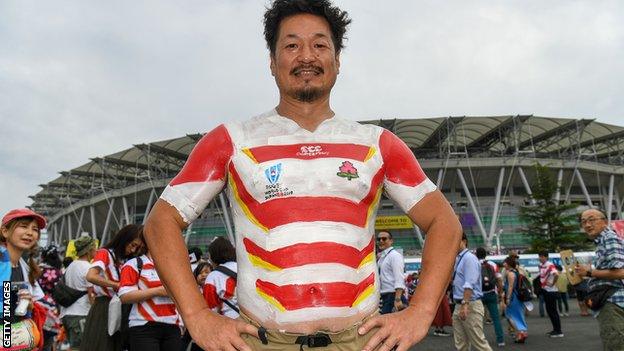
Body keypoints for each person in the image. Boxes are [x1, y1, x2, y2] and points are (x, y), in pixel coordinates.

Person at [143, 1, 462, 350]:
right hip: (262, 342)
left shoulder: (378, 144)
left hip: (359, 341)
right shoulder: (231, 141)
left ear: (337, 61)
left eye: (320, 45)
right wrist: (197, 315)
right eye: (292, 45)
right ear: (272, 61)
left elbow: (444, 222)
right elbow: (161, 222)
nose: (306, 56)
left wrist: (421, 310)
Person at [81, 224, 143, 351]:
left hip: (121, 306)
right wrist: (116, 285)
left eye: (137, 247)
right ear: (124, 239)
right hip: (104, 306)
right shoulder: (105, 253)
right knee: (101, 343)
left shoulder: (127, 260)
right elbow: (91, 276)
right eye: (132, 245)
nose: (133, 250)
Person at [118, 229, 182, 351]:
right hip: (143, 325)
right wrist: (157, 291)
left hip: (173, 326)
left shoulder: (175, 266)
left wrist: (183, 324)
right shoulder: (134, 264)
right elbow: (125, 296)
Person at [574, 209, 624, 350]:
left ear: (605, 221)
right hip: (612, 300)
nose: (587, 224)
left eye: (592, 220)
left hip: (612, 301)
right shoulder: (604, 240)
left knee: (615, 343)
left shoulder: (609, 238)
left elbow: (620, 272)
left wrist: (589, 272)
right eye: (583, 222)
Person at [1, 208, 46, 350]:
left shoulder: (24, 267)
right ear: (5, 231)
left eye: (35, 229)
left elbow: (32, 307)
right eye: (24, 226)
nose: (30, 233)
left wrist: (29, 305)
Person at [451, 234, 492, 351]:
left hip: (469, 304)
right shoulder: (459, 258)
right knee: (461, 344)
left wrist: (465, 304)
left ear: (464, 241)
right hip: (460, 303)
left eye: (455, 240)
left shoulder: (469, 258)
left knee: (479, 343)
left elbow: (470, 283)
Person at [61, 236, 96, 350]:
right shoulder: (87, 267)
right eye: (94, 249)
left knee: (74, 347)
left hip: (67, 314)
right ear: (89, 250)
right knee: (81, 348)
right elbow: (91, 295)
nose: (96, 251)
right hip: (81, 314)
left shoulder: (70, 266)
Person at [203, 237, 239, 319]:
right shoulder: (244, 268)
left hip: (228, 322)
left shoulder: (213, 277)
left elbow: (211, 309)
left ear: (213, 256)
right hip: (253, 322)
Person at [475, 247, 504, 346]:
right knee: (496, 318)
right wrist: (500, 293)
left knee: (477, 319)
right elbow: (499, 280)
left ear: (476, 255)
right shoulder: (492, 264)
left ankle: (479, 341)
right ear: (485, 255)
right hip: (491, 293)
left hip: (478, 295)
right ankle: (501, 340)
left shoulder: (474, 264)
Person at [181, 261, 213, 351]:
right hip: (193, 321)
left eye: (207, 272)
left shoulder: (213, 290)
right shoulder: (193, 290)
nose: (203, 275)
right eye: (200, 273)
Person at [38, 245, 64, 351]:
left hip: (36, 306)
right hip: (52, 310)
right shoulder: (58, 273)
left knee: (35, 339)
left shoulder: (37, 269)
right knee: (48, 341)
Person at [377, 231, 408, 314]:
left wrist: (397, 299)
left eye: (384, 239)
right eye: (378, 239)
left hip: (393, 296)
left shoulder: (395, 256)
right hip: (385, 296)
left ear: (391, 241)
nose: (381, 241)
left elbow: (399, 278)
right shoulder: (382, 258)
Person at [501, 256, 527, 343]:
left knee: (509, 315)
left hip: (513, 297)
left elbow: (510, 287)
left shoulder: (510, 273)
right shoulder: (516, 271)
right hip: (518, 296)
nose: (503, 264)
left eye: (505, 262)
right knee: (518, 315)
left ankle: (521, 332)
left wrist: (508, 298)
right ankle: (521, 332)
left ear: (508, 263)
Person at [538, 251, 563, 337]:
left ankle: (559, 331)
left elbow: (556, 274)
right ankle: (555, 329)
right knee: (549, 311)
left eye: (541, 256)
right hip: (545, 290)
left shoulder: (549, 265)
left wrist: (552, 284)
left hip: (551, 291)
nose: (540, 258)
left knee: (553, 311)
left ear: (546, 257)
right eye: (539, 256)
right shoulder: (542, 265)